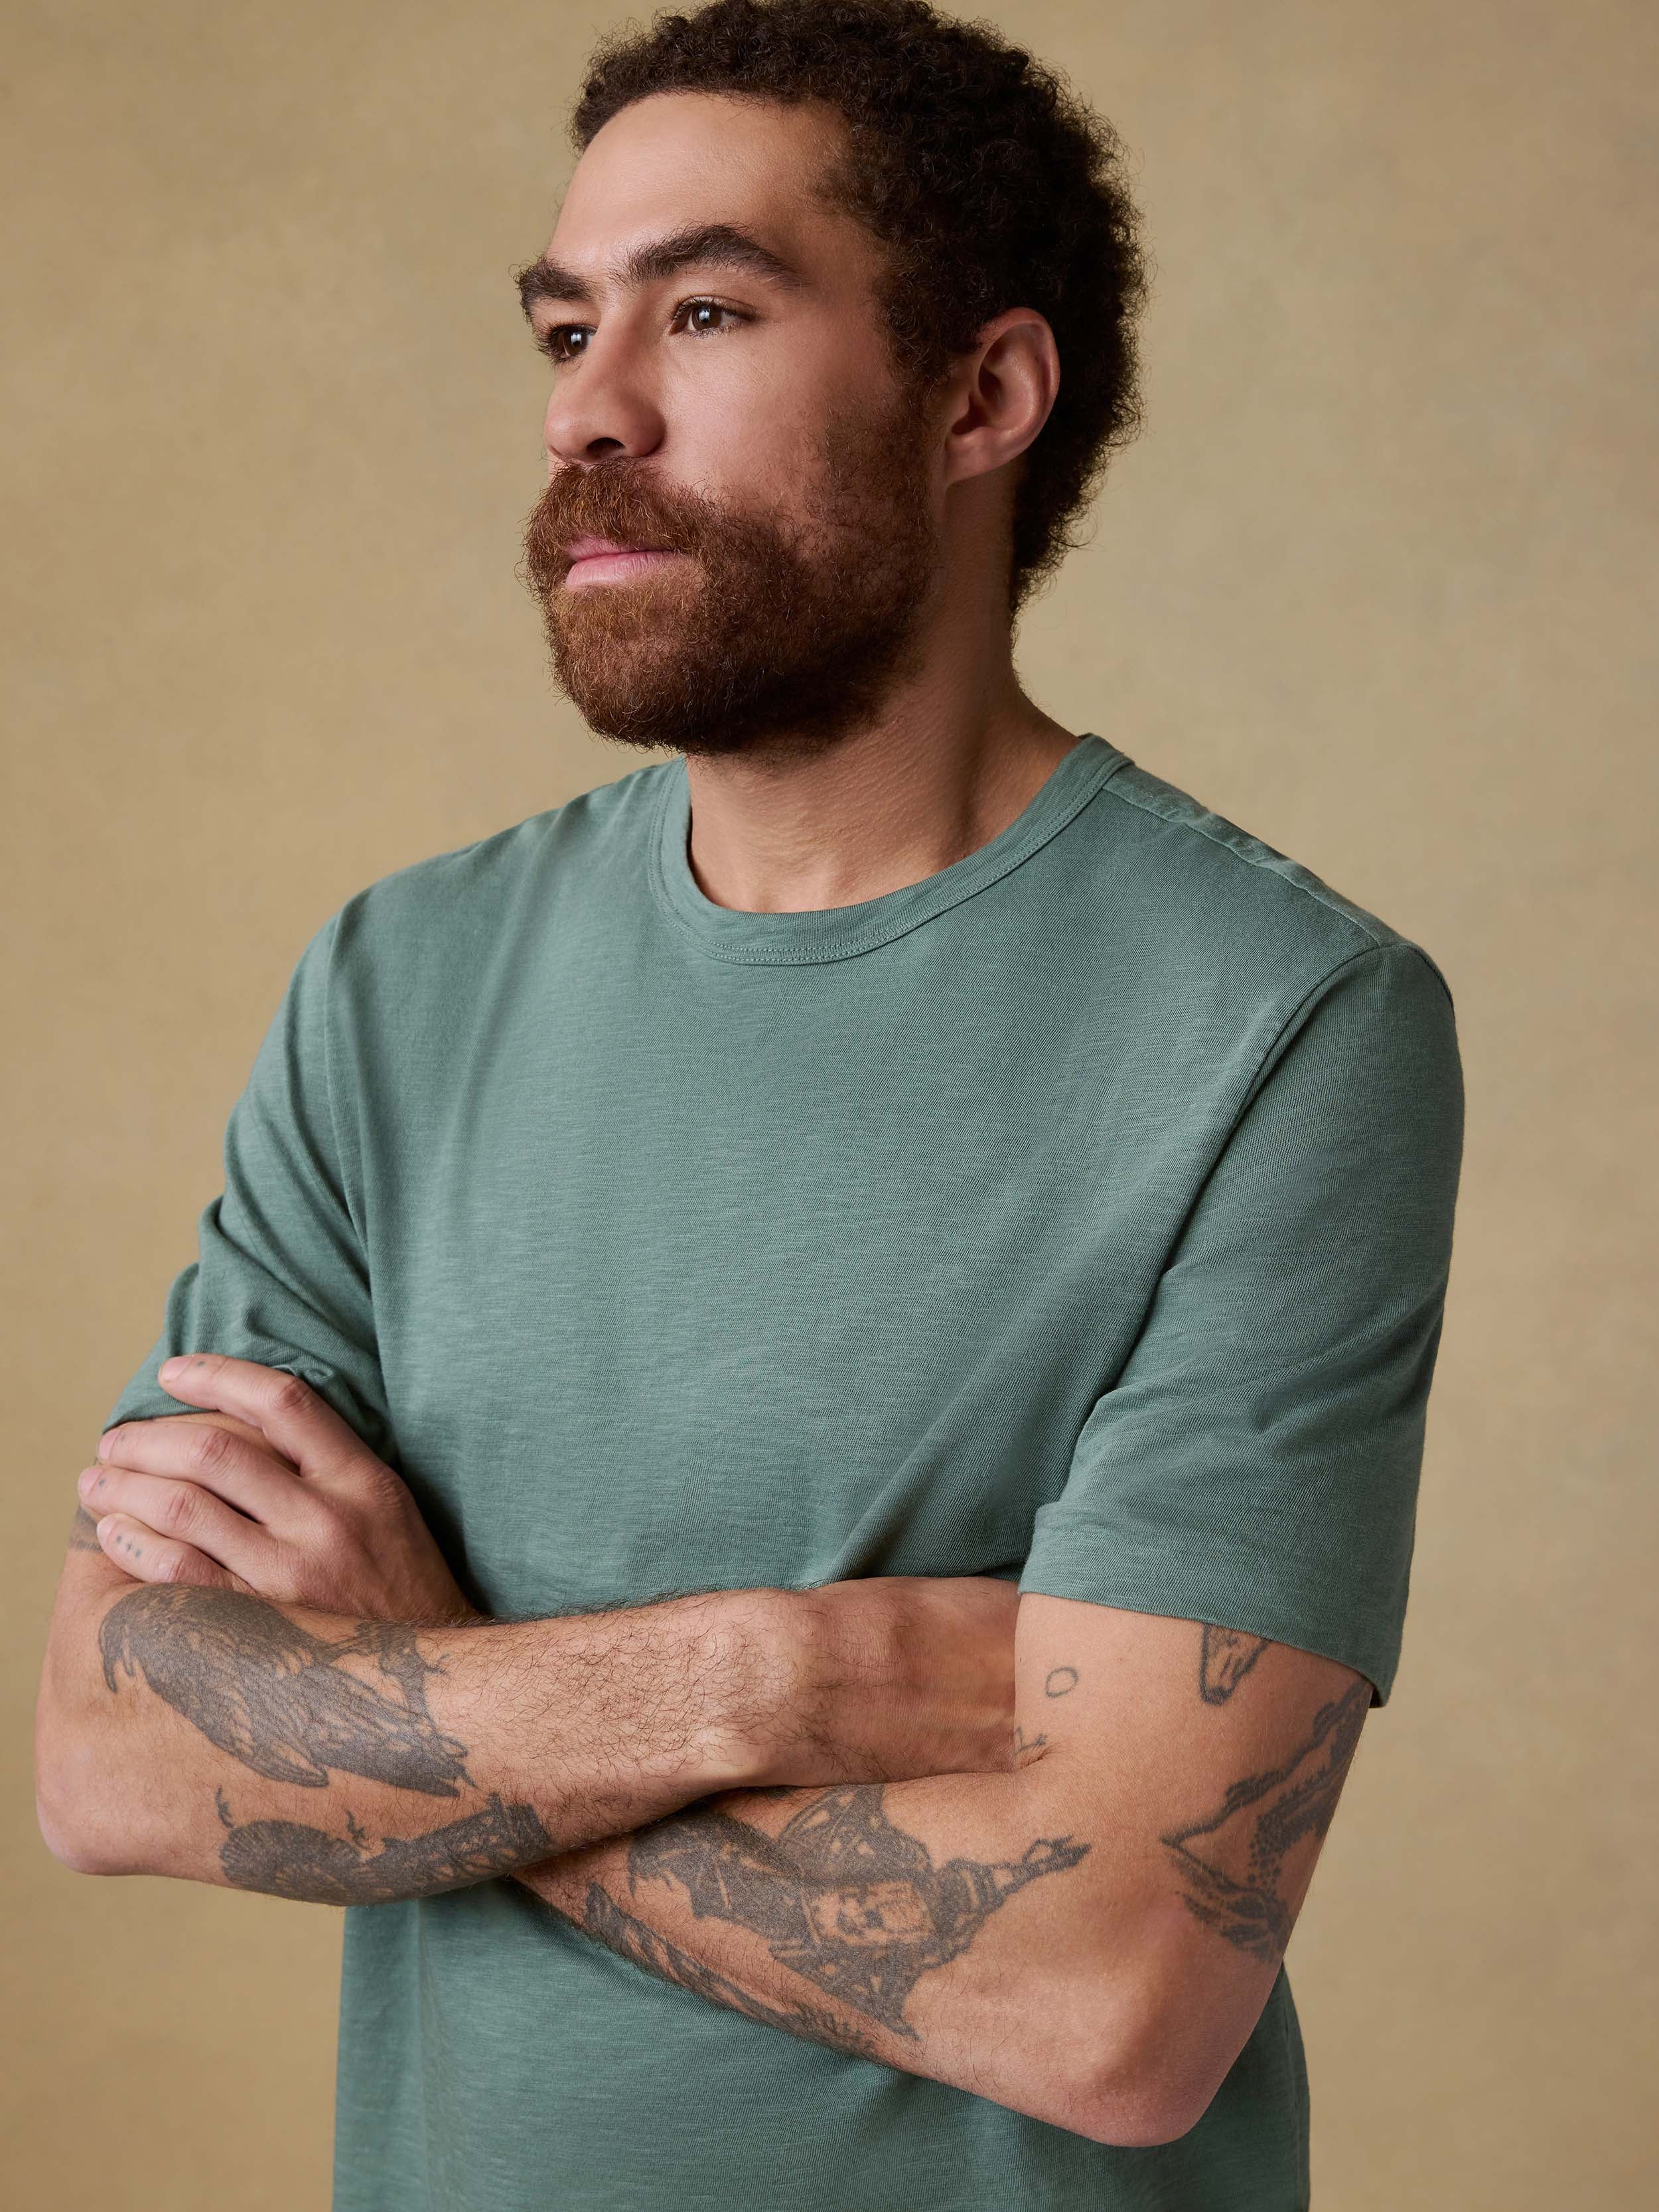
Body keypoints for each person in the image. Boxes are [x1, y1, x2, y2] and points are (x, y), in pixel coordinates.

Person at [34, 3, 1465, 2207]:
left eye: (703, 310)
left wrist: (419, 1704)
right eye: (562, 322)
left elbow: (1108, 2004)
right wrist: (765, 1674)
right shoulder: (395, 985)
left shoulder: (1282, 1026)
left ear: (979, 395)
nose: (585, 409)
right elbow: (120, 1752)